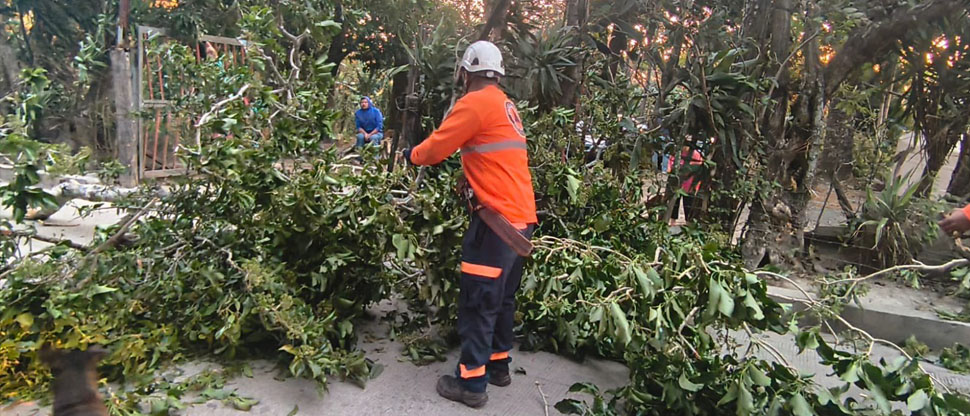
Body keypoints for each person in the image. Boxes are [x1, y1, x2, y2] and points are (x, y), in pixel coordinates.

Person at [401, 40, 537, 409]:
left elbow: (435, 148)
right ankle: (498, 366)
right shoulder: (506, 105)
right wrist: (471, 177)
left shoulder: (474, 103)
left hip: (495, 223)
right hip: (520, 220)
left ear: (465, 73)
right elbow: (493, 155)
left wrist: (410, 156)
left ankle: (471, 384)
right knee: (502, 297)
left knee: (478, 300)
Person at [667, 144, 704, 224]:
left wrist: (696, 185)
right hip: (677, 183)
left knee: (688, 204)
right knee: (674, 203)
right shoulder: (676, 153)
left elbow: (699, 169)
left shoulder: (695, 154)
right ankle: (672, 221)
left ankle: (688, 223)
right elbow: (670, 165)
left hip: (689, 184)